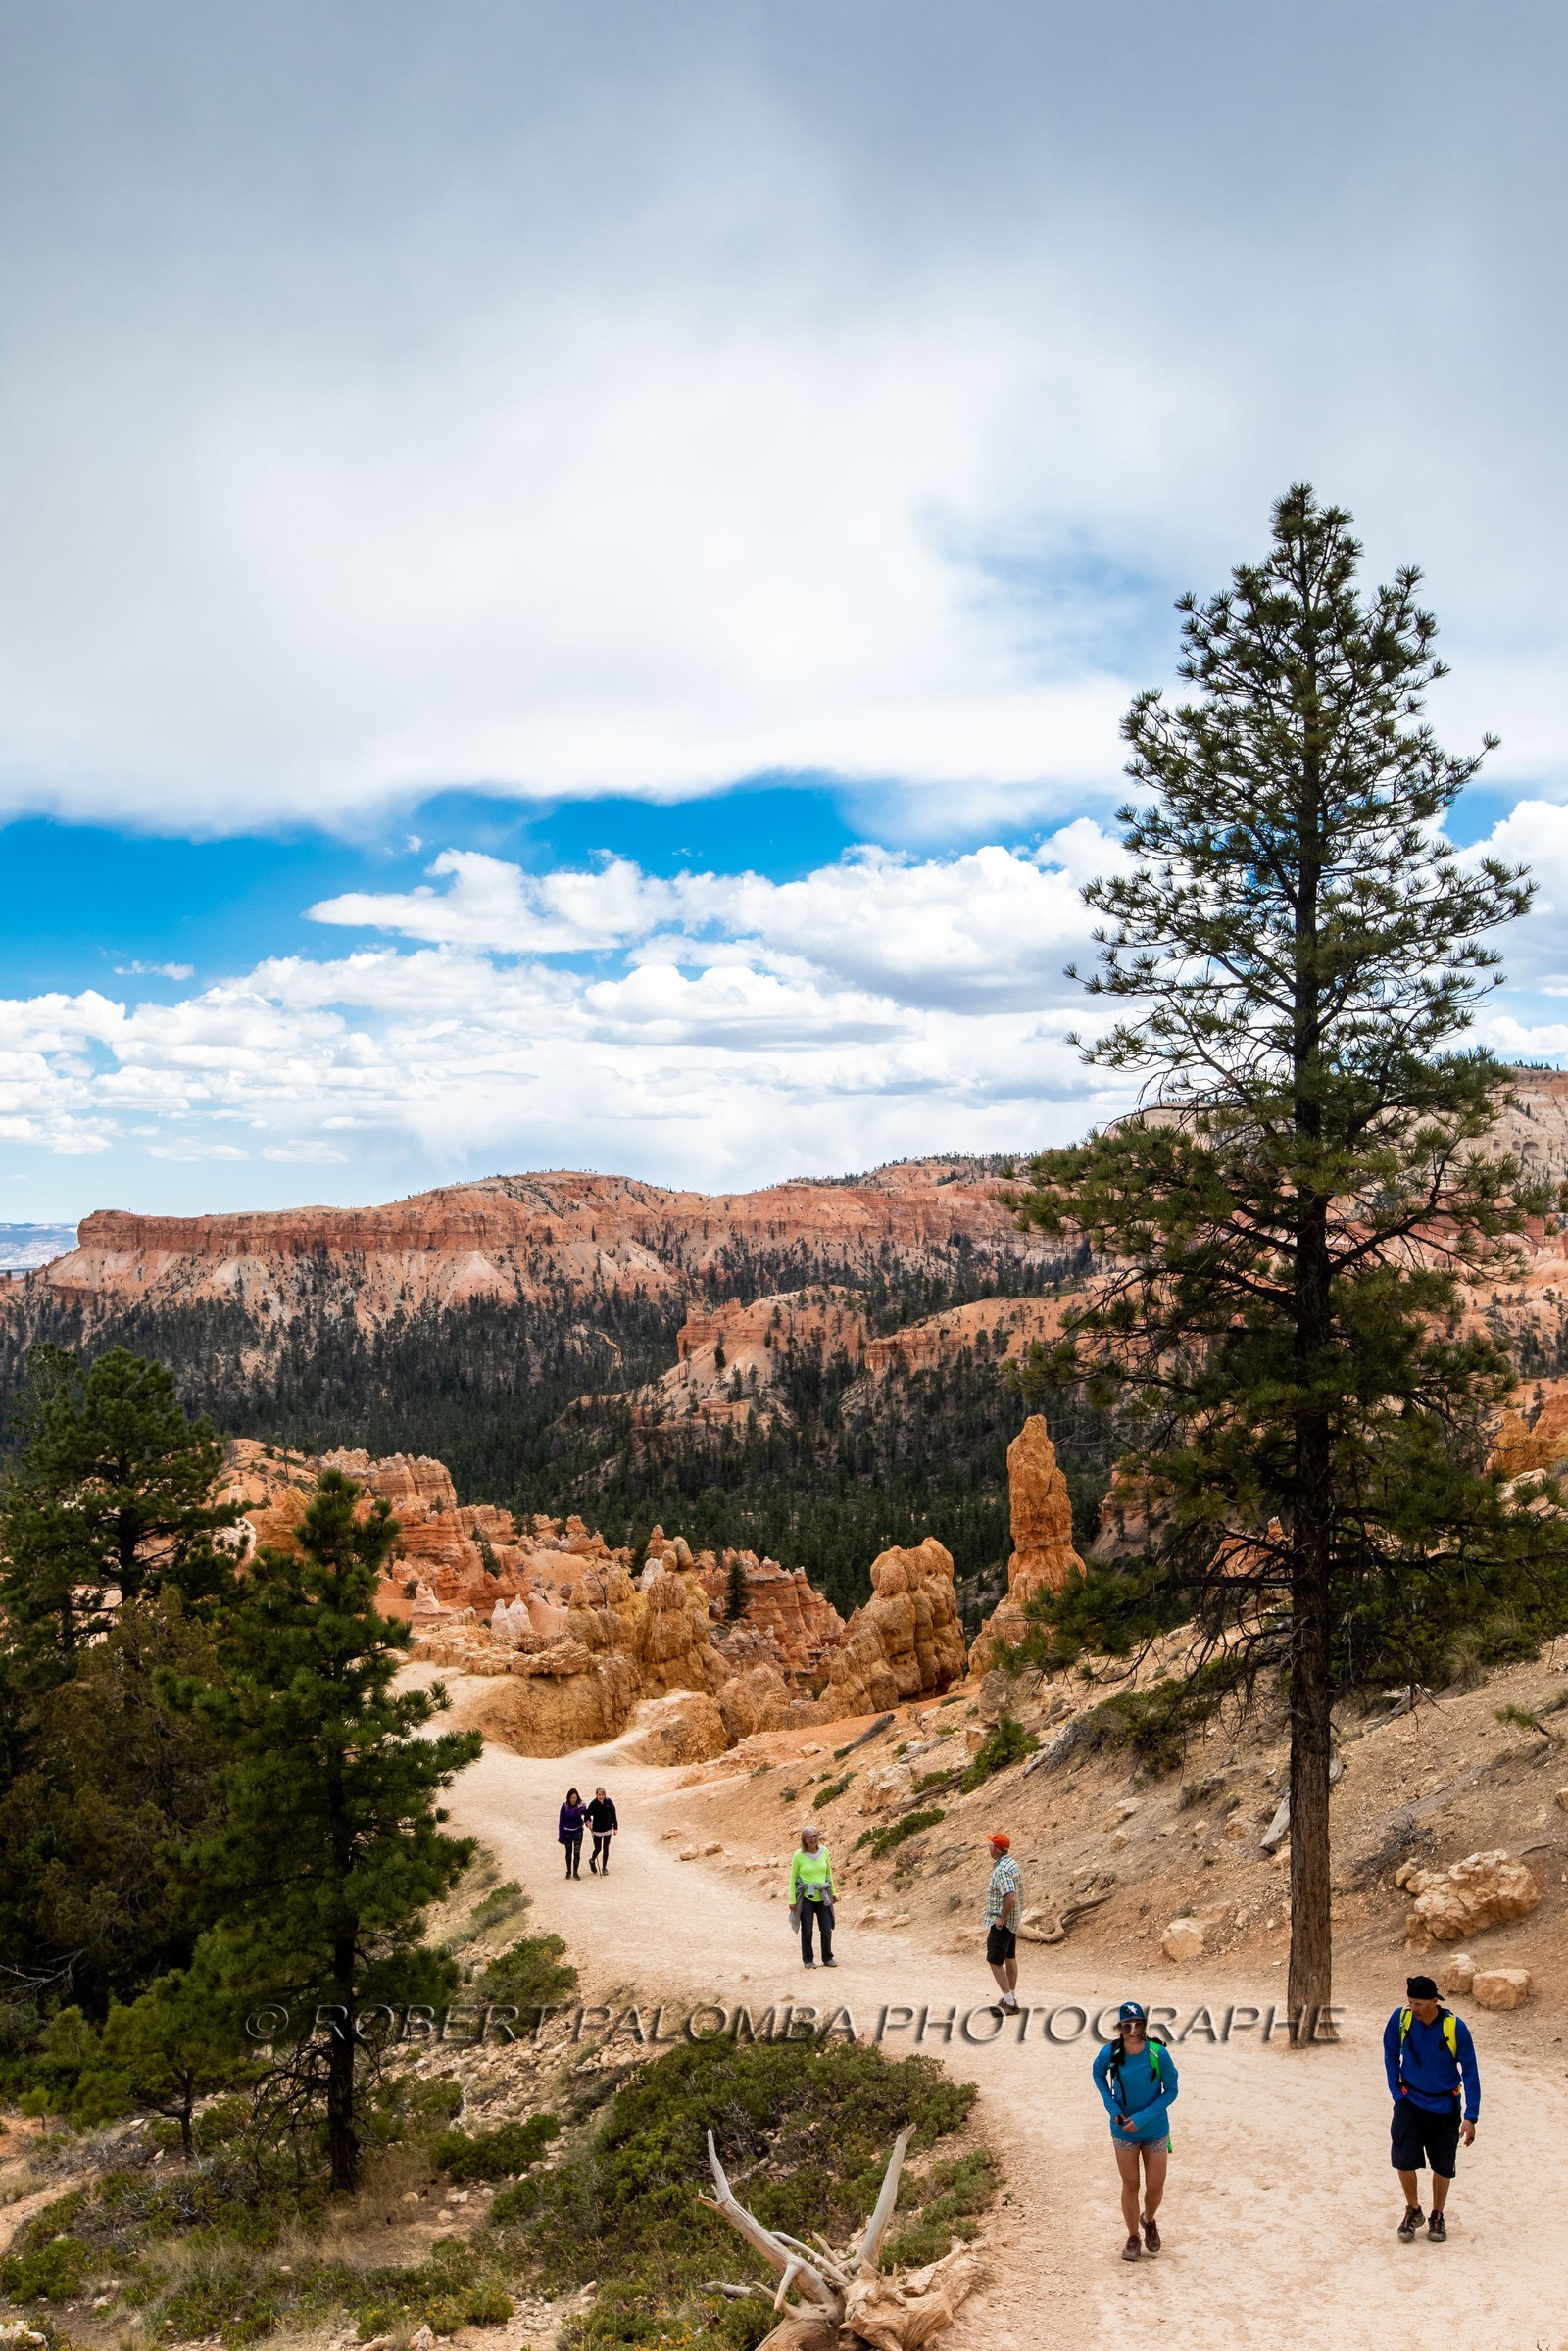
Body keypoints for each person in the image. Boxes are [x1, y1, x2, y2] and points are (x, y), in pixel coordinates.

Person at [1383, 1972, 1480, 2243]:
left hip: (1444, 2107)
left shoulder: (1455, 2027)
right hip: (1409, 2101)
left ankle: (1437, 2215)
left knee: (1443, 2165)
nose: (1413, 2008)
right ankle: (1413, 2210)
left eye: (1418, 2004)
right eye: (1410, 2002)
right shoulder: (1400, 2019)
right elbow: (1390, 2055)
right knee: (1403, 2159)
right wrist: (1397, 2093)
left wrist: (1471, 2115)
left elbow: (1470, 2071)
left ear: (1434, 2001)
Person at [1092, 1999, 1179, 2260]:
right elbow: (1098, 2075)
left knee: (1155, 2187)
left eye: (1137, 2024)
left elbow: (1171, 2090)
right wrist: (1112, 2108)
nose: (1133, 2031)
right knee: (1130, 2185)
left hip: (1155, 2129)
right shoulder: (1110, 2053)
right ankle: (1132, 2237)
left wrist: (1141, 2118)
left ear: (1144, 2026)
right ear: (1119, 2027)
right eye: (1127, 2025)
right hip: (1123, 2131)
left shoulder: (1158, 2054)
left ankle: (1148, 2219)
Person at [982, 1831, 1022, 2016]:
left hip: (1003, 1923)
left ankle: (1009, 2002)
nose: (989, 1847)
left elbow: (1010, 1896)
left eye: (991, 1845)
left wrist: (1001, 1919)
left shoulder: (1002, 1870)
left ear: (996, 1849)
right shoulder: (1011, 1863)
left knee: (994, 1961)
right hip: (1013, 1921)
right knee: (1010, 1957)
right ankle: (1010, 1997)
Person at [788, 1824, 837, 1966]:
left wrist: (833, 1892)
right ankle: (808, 1960)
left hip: (823, 1895)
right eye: (809, 1837)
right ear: (804, 1840)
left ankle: (827, 1958)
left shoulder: (824, 1852)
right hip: (806, 1897)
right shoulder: (798, 1856)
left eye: (815, 1835)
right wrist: (792, 1900)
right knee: (807, 1929)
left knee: (826, 1928)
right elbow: (793, 1878)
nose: (813, 1839)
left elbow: (828, 1873)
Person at [586, 1786, 618, 1875]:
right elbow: (587, 1815)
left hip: (608, 1829)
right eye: (599, 1795)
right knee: (598, 1848)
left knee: (606, 1848)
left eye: (602, 1795)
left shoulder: (608, 1802)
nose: (601, 1797)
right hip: (597, 1830)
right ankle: (592, 1860)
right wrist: (588, 1822)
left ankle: (604, 1867)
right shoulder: (593, 1804)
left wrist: (616, 1827)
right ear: (596, 1795)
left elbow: (613, 1814)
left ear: (604, 1795)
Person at [558, 1787, 587, 1879]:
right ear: (569, 1798)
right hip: (567, 1833)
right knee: (568, 1852)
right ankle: (569, 1871)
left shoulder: (581, 1806)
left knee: (577, 1852)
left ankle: (575, 1872)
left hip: (578, 1831)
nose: (573, 1800)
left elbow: (587, 1816)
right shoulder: (564, 1807)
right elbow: (561, 1822)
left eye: (575, 1798)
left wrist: (589, 1822)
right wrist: (561, 1836)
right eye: (572, 1798)